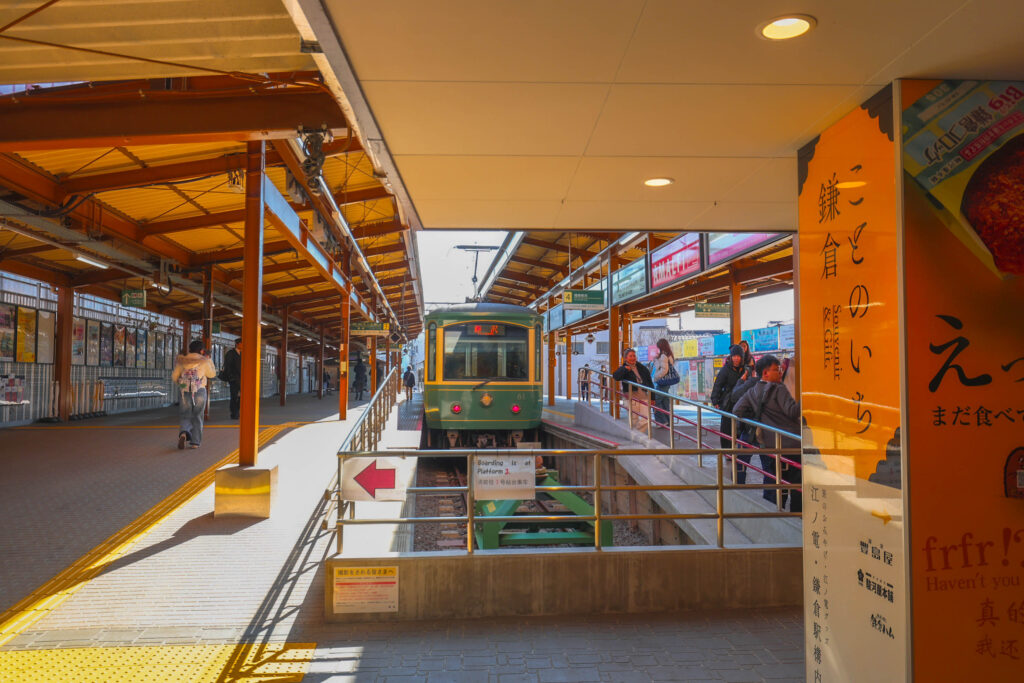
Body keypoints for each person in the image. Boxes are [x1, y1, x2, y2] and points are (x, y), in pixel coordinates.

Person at [733, 354, 802, 512]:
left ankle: (774, 514)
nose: (779, 372)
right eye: (776, 369)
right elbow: (792, 411)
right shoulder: (779, 389)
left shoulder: (752, 392)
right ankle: (797, 519)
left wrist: (759, 418)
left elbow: (737, 410)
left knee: (776, 483)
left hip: (772, 446)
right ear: (765, 373)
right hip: (792, 445)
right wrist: (807, 399)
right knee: (796, 486)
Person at [171, 339, 217, 450]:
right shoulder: (204, 361)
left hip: (184, 391)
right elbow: (212, 374)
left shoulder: (182, 361)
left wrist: (183, 387)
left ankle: (184, 433)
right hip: (199, 390)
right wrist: (209, 360)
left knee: (185, 414)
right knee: (197, 416)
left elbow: (175, 377)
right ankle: (195, 443)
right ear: (202, 351)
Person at [728, 361, 762, 485]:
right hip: (768, 433)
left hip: (750, 430)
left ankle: (737, 488)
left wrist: (742, 380)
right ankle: (772, 501)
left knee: (740, 463)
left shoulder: (751, 383)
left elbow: (735, 397)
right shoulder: (776, 386)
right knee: (771, 468)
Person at [710, 345, 748, 448]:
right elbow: (718, 385)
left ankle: (737, 450)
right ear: (731, 357)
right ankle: (727, 451)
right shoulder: (725, 370)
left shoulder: (745, 369)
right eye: (734, 356)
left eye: (738, 356)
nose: (736, 358)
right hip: (728, 403)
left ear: (742, 357)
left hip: (741, 402)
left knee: (740, 427)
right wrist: (715, 400)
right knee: (727, 427)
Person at [612, 348, 654, 432]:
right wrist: (625, 369)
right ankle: (635, 436)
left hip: (644, 397)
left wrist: (653, 397)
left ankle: (636, 434)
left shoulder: (642, 368)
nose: (633, 358)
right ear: (626, 358)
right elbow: (616, 377)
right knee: (633, 420)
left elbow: (650, 383)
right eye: (630, 356)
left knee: (647, 419)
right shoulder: (624, 368)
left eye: (634, 356)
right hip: (631, 398)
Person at [651, 339, 677, 428]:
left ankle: (662, 421)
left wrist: (656, 377)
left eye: (658, 347)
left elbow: (664, 370)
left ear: (661, 347)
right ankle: (668, 421)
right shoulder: (669, 355)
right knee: (665, 402)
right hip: (667, 382)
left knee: (656, 401)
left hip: (662, 382)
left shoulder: (663, 356)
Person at [222, 339, 241, 420]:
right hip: (234, 379)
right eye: (242, 343)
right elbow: (228, 366)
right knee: (234, 396)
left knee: (241, 397)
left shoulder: (243, 353)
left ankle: (238, 411)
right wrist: (231, 377)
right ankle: (234, 413)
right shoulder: (230, 353)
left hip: (242, 379)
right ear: (237, 344)